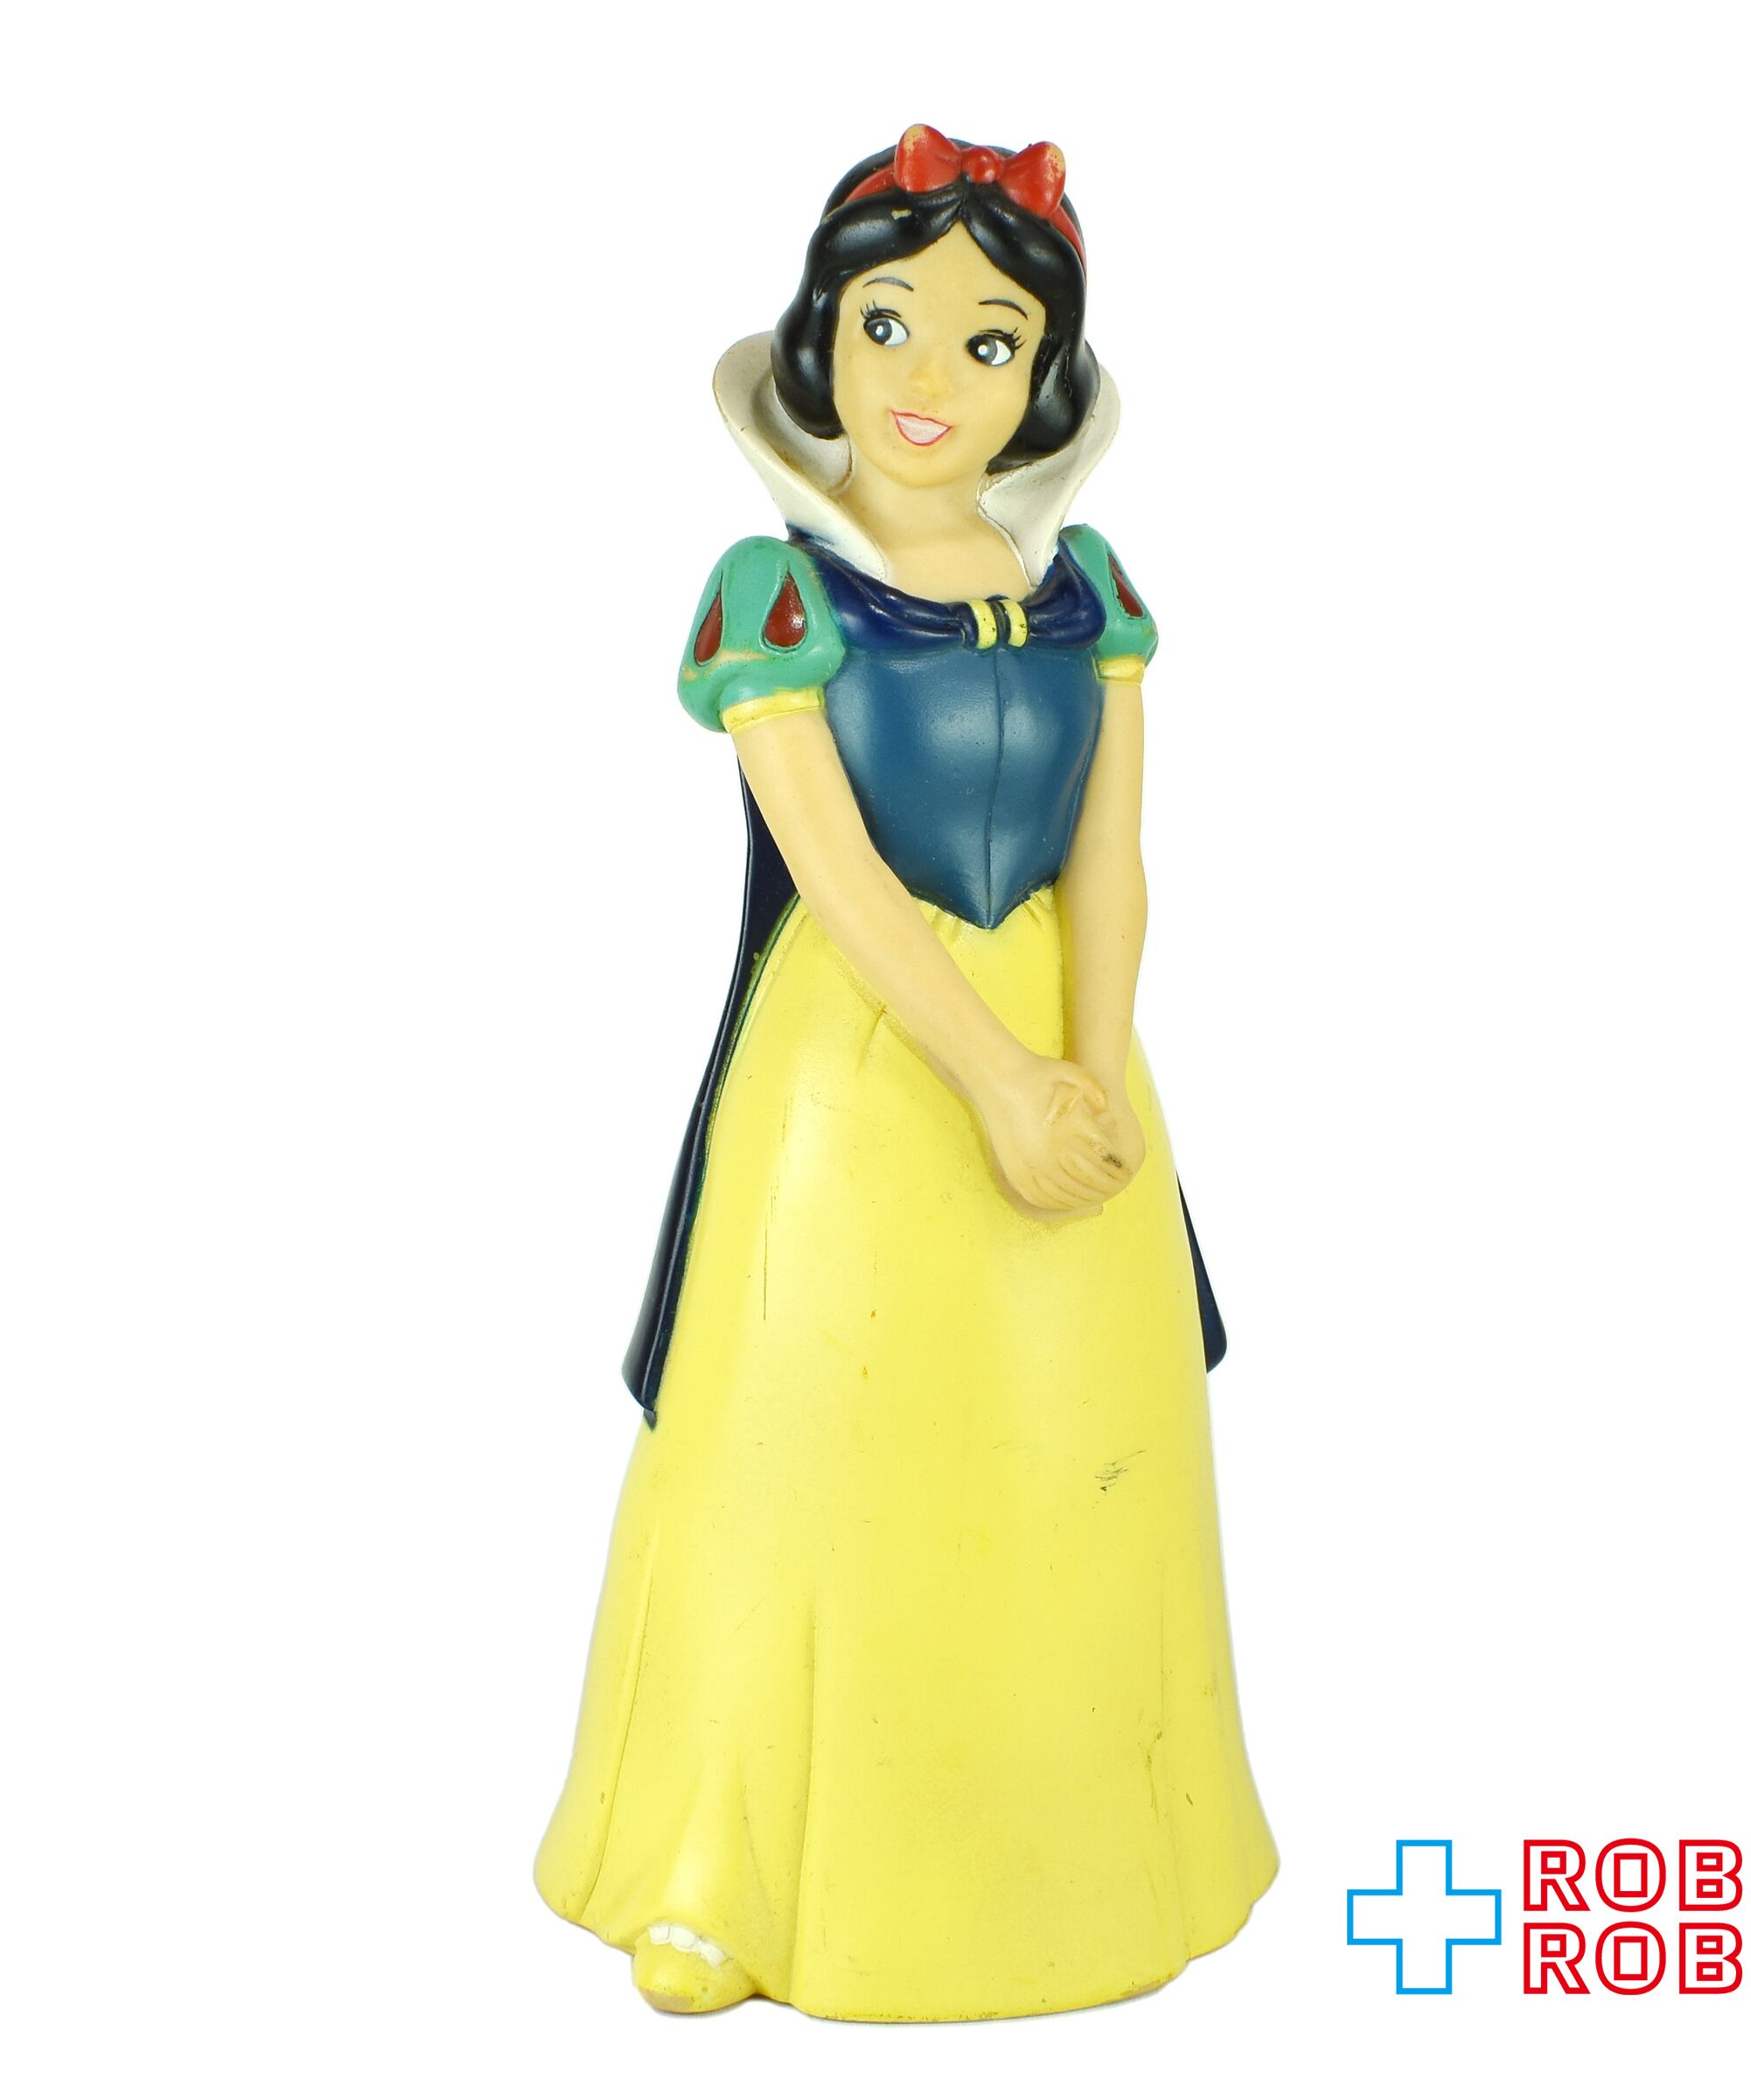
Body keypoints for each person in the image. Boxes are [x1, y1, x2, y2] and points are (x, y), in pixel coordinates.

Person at [535, 125, 1277, 2021]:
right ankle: (733, 1863)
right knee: (811, 1444)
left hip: (1065, 1054)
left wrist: (1086, 1074)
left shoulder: (1089, 588)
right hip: (860, 1076)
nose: (928, 375)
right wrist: (994, 1079)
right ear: (820, 340)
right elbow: (840, 875)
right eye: (888, 323)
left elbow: (1113, 857)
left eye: (986, 340)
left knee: (1073, 1443)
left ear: (1042, 379)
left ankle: (1109, 1846)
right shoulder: (775, 595)